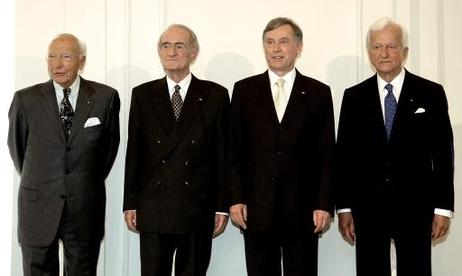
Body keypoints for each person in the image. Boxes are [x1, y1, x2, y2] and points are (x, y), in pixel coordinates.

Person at [336, 17, 454, 276]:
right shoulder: (354, 97)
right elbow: (345, 157)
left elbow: (444, 155)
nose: (384, 53)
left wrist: (443, 207)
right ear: (369, 53)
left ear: (405, 51)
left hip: (416, 206)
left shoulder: (430, 93)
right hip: (368, 208)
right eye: (377, 47)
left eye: (391, 46)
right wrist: (344, 208)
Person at [226, 17, 335, 276]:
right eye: (270, 42)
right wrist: (236, 198)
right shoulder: (243, 91)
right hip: (256, 208)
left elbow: (327, 153)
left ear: (298, 47)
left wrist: (323, 203)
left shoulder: (319, 92)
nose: (276, 49)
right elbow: (234, 150)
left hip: (304, 210)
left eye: (283, 42)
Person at [8, 33, 120, 276]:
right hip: (38, 207)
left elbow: (107, 151)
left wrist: (80, 181)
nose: (56, 64)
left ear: (82, 61)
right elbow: (18, 150)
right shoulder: (25, 100)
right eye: (51, 56)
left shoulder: (105, 98)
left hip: (84, 208)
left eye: (66, 56)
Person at [123, 24, 229, 276]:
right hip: (153, 206)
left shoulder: (215, 94)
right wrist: (130, 203)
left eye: (179, 46)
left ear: (194, 52)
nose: (171, 52)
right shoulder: (143, 94)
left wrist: (222, 206)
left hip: (197, 206)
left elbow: (223, 155)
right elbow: (134, 153)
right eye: (165, 46)